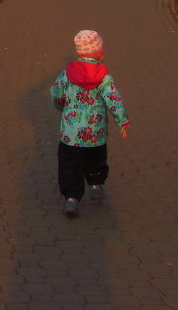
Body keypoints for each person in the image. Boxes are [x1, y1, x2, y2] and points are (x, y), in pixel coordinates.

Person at [51, 30, 130, 218]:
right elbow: (113, 99)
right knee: (96, 157)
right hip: (95, 131)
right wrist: (122, 120)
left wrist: (61, 105)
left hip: (71, 132)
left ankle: (72, 198)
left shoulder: (67, 74)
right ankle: (95, 183)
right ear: (99, 53)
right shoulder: (104, 76)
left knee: (70, 162)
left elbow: (56, 93)